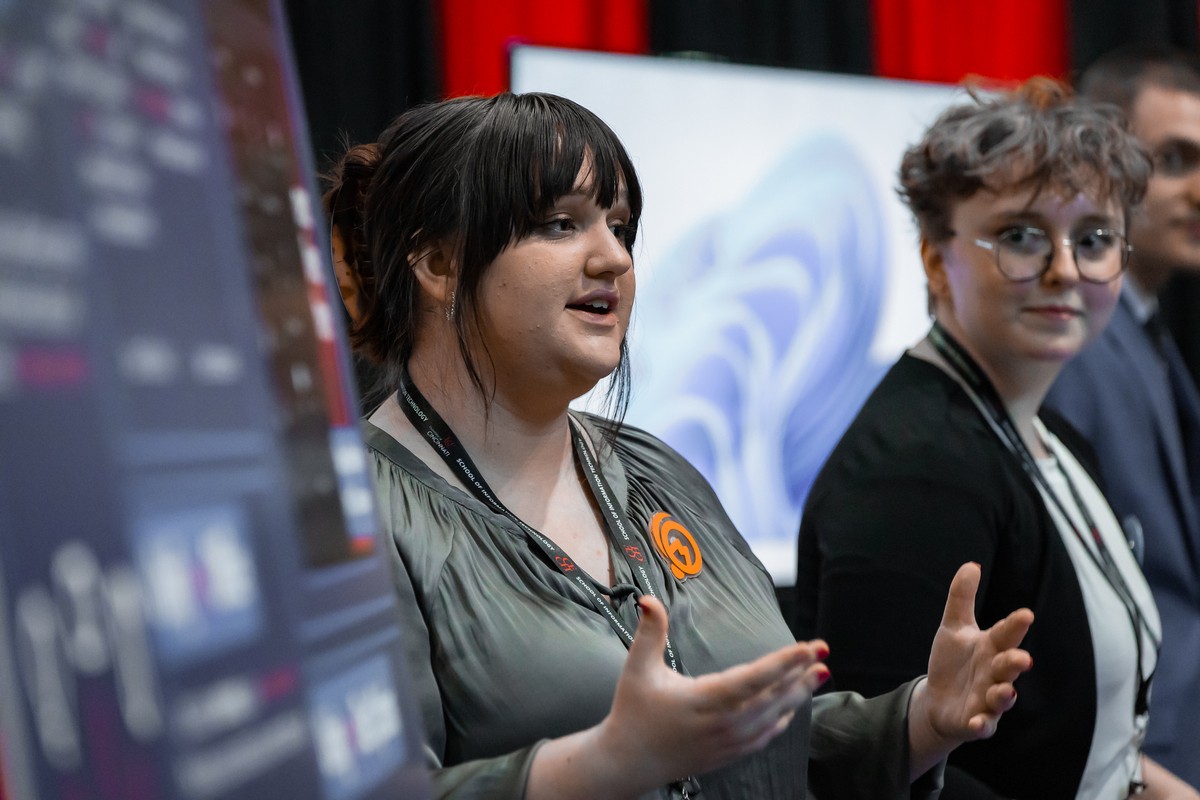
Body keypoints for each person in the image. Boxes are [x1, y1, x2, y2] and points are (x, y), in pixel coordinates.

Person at [325, 91, 1035, 799]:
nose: (612, 258)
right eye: (560, 224)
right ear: (439, 264)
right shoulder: (355, 517)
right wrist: (604, 763)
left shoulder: (657, 470)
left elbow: (759, 740)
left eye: (621, 226)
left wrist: (918, 721)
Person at [795, 78, 1199, 798]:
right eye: (1020, 236)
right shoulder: (914, 470)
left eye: (1095, 239)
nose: (1065, 270)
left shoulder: (1052, 435)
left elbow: (1079, 737)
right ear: (933, 258)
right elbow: (858, 767)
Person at [1045, 44, 1200, 787]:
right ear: (1103, 169)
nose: (1198, 188)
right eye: (1173, 160)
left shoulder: (1150, 334)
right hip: (1134, 760)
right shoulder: (1074, 348)